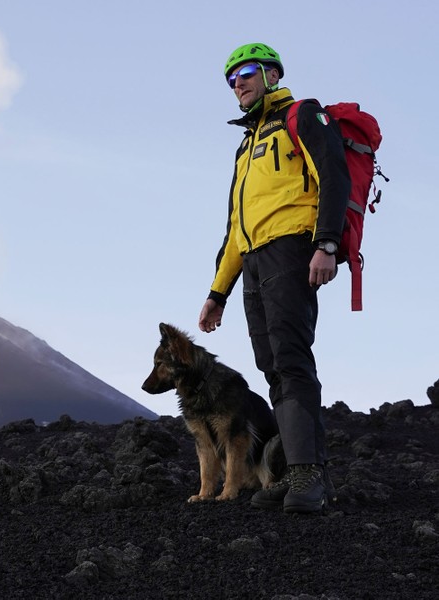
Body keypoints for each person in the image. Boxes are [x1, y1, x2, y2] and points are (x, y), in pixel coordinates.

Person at [198, 43, 350, 514]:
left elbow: (334, 175)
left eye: (245, 72)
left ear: (270, 74)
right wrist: (216, 293)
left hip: (292, 248)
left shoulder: (302, 114)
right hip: (253, 263)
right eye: (230, 79)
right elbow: (233, 231)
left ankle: (310, 475)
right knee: (271, 366)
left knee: (291, 358)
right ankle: (291, 473)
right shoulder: (245, 147)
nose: (237, 83)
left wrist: (327, 243)